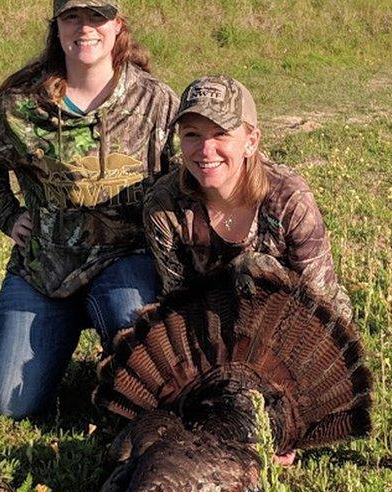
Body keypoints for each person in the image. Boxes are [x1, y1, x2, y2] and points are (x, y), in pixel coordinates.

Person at [0, 0, 179, 419]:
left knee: (151, 389)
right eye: (72, 17)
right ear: (56, 29)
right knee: (4, 404)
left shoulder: (155, 103)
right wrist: (5, 213)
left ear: (117, 26)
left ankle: (117, 342)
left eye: (97, 17)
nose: (85, 28)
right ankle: (59, 328)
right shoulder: (22, 107)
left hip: (124, 262)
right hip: (45, 268)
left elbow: (183, 184)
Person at [143, 76, 353, 466]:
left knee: (260, 270)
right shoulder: (164, 206)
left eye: (221, 133)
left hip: (290, 337)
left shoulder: (290, 198)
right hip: (215, 333)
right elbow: (179, 314)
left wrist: (292, 419)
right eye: (191, 135)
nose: (205, 150)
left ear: (251, 140)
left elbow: (320, 311)